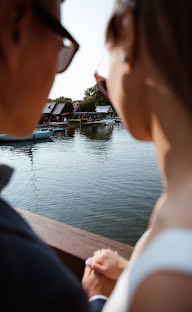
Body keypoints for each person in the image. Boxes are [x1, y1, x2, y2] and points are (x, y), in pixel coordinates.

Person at [82, 0, 192, 311]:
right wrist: (130, 271)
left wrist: (97, 300)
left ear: (128, 35)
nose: (102, 81)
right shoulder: (177, 204)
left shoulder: (172, 286)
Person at [0, 0, 110, 311]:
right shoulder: (23, 269)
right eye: (62, 49)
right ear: (16, 27)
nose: (56, 75)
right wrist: (97, 297)